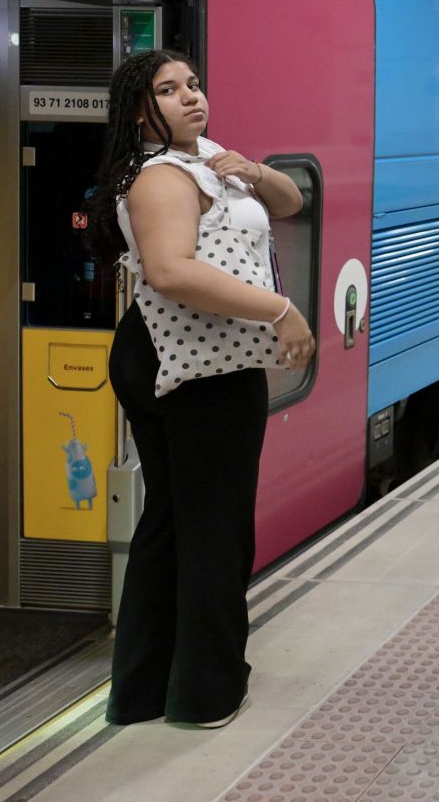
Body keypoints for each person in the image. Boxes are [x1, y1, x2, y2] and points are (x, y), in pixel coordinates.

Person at [84, 49, 314, 727]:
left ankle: (146, 689)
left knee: (175, 521)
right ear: (137, 111)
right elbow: (170, 272)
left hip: (190, 355)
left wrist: (252, 170)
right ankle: (208, 691)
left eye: (193, 84)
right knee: (215, 528)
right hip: (193, 361)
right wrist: (280, 309)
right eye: (167, 90)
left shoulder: (205, 158)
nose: (191, 97)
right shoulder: (161, 178)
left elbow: (292, 200)